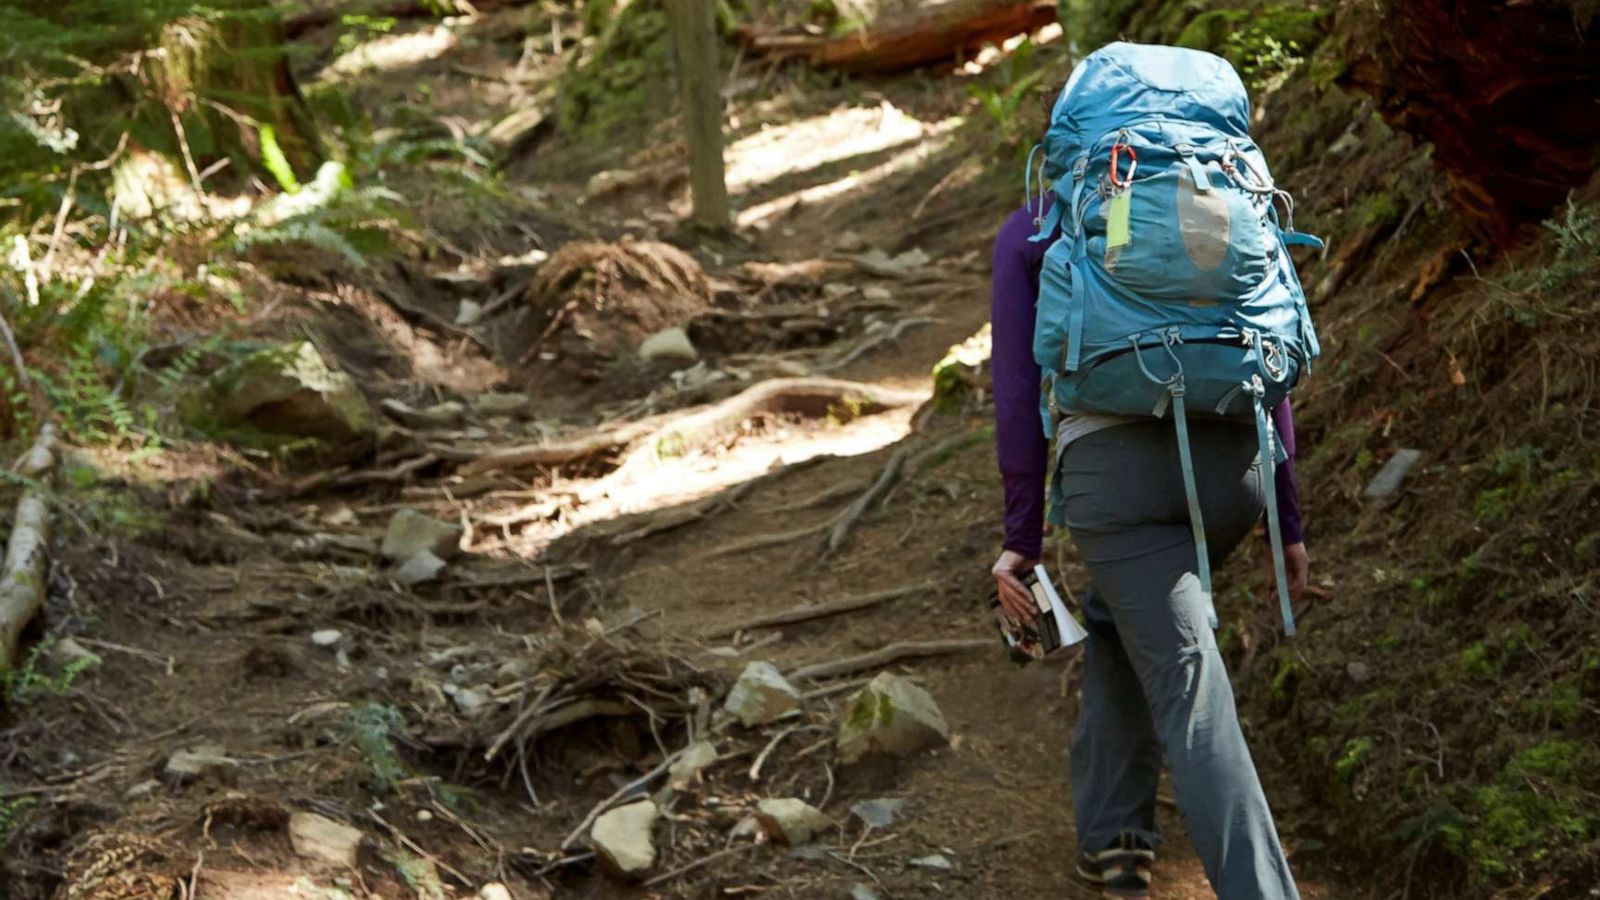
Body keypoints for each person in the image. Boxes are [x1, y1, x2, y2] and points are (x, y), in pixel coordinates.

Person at [989, 191, 1310, 899]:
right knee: (1121, 615)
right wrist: (1285, 519)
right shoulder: (1215, 201)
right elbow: (1268, 347)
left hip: (1117, 486)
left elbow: (1015, 390)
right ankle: (1117, 834)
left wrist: (1023, 535)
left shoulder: (1034, 226)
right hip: (1234, 473)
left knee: (1188, 685)